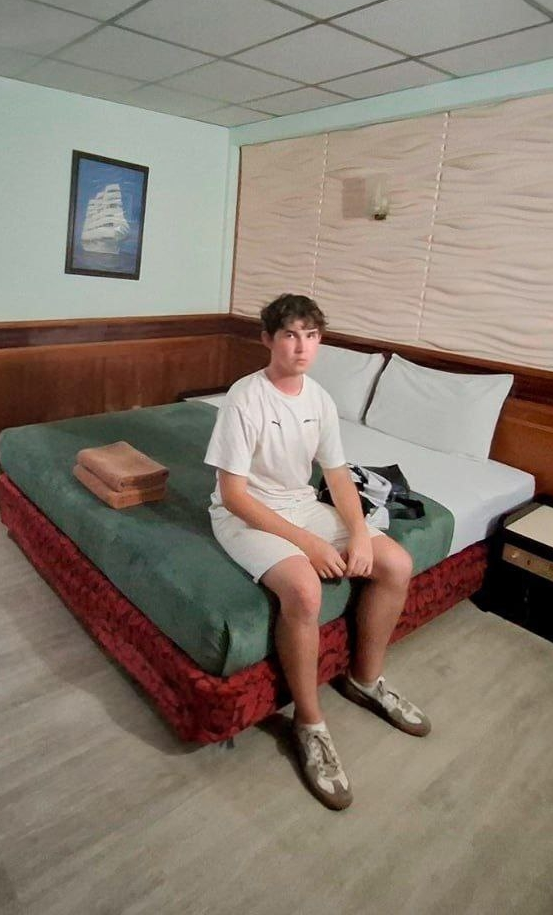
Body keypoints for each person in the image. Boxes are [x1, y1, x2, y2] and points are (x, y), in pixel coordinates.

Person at [204, 293, 429, 811]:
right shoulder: (245, 397)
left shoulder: (320, 400)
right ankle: (309, 724)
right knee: (304, 591)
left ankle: (365, 679)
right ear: (268, 339)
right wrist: (307, 544)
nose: (301, 346)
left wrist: (359, 531)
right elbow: (233, 495)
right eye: (289, 334)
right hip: (247, 514)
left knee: (396, 563)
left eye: (311, 335)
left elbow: (337, 475)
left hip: (302, 504)